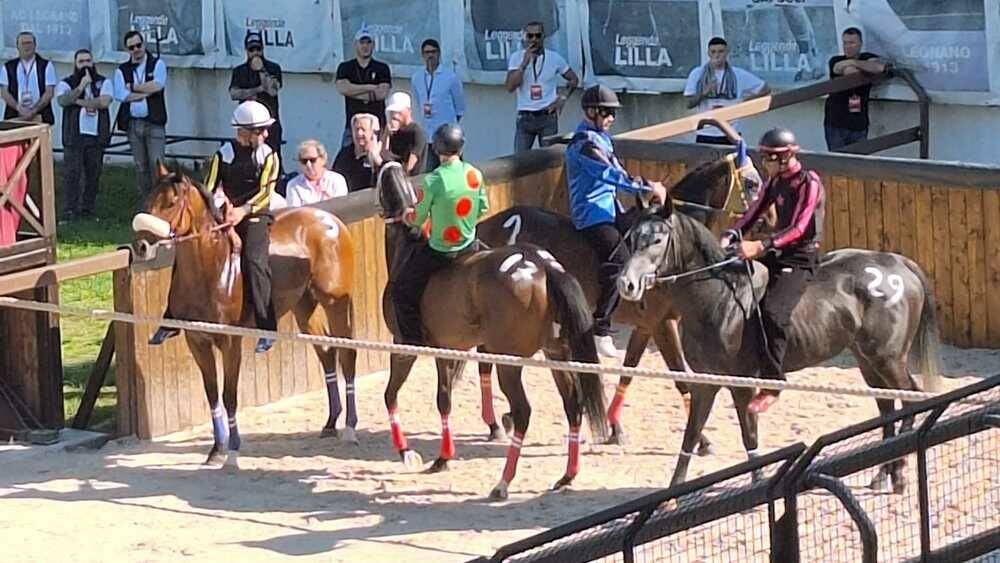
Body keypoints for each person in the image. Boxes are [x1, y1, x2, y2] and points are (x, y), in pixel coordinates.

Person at [148, 101, 280, 353]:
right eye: (260, 130)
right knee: (186, 253)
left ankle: (266, 327)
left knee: (254, 261)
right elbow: (208, 187)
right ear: (244, 132)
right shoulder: (223, 154)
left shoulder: (269, 156)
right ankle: (171, 317)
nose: (265, 135)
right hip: (225, 212)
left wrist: (242, 211)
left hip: (255, 215)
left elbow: (266, 192)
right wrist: (220, 208)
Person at [721, 127, 825, 414]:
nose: (764, 162)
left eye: (768, 158)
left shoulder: (808, 182)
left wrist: (761, 246)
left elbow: (800, 227)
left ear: (785, 157)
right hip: (776, 251)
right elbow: (753, 211)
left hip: (801, 257)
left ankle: (773, 382)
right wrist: (732, 233)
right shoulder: (774, 180)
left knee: (773, 312)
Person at [565, 84, 667, 358]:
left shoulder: (603, 139)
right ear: (591, 112)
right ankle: (600, 328)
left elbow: (619, 172)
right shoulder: (584, 144)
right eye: (607, 113)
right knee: (620, 262)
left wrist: (645, 191)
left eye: (613, 113)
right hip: (591, 214)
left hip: (612, 208)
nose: (612, 118)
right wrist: (646, 187)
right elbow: (611, 174)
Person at [390, 123, 489, 346]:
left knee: (401, 289)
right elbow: (483, 208)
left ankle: (413, 339)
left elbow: (417, 219)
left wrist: (406, 214)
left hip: (442, 251)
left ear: (437, 150)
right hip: (470, 245)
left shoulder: (433, 180)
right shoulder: (475, 174)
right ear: (461, 148)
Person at [55, 49, 113, 220]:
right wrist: (81, 86)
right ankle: (70, 210)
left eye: (88, 61)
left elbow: (104, 102)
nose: (85, 65)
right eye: (81, 62)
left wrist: (78, 101)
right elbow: (63, 100)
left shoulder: (103, 82)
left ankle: (88, 209)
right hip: (74, 137)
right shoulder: (67, 83)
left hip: (96, 136)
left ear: (93, 63)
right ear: (75, 64)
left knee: (93, 174)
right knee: (72, 174)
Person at [505, 20, 579, 152]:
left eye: (538, 36)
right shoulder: (517, 57)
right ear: (525, 37)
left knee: (549, 160)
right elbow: (510, 87)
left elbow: (573, 79)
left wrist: (562, 98)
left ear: (543, 37)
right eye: (530, 36)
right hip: (525, 116)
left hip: (547, 116)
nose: (534, 40)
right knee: (519, 162)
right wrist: (523, 64)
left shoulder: (554, 58)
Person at [683, 37, 769, 145]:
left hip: (731, 132)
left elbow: (765, 89)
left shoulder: (738, 74)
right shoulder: (697, 73)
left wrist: (747, 101)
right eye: (713, 52)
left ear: (727, 53)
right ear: (708, 53)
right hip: (706, 132)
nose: (717, 55)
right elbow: (689, 104)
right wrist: (704, 92)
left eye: (720, 51)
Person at [113, 30, 167, 196]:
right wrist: (145, 93)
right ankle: (147, 202)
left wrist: (134, 87)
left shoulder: (157, 64)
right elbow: (121, 95)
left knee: (157, 164)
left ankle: (163, 202)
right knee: (141, 166)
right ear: (127, 50)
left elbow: (158, 85)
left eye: (138, 45)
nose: (136, 49)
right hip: (133, 124)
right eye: (131, 47)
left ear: (144, 44)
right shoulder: (122, 70)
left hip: (155, 122)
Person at [229, 30, 284, 178]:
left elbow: (273, 90)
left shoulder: (273, 68)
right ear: (246, 50)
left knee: (272, 156)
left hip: (269, 123)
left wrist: (261, 70)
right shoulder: (239, 71)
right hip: (247, 126)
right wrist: (256, 90)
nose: (255, 53)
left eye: (258, 49)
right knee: (246, 158)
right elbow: (234, 93)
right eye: (252, 49)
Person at [824, 27, 886, 151]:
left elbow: (879, 67)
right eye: (845, 43)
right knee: (838, 162)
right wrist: (865, 67)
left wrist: (854, 62)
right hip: (837, 123)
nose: (848, 47)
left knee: (859, 163)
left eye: (852, 43)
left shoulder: (867, 57)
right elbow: (850, 72)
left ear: (860, 44)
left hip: (859, 123)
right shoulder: (836, 60)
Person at [410, 38, 465, 172]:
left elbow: (460, 107)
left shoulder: (450, 77)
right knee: (430, 174)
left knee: (453, 172)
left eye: (433, 52)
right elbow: (418, 101)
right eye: (427, 52)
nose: (430, 55)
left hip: (448, 138)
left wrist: (450, 125)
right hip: (428, 136)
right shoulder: (417, 78)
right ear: (422, 55)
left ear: (439, 53)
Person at [335, 26, 391, 148]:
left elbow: (381, 93)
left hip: (377, 127)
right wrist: (370, 87)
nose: (365, 46)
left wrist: (353, 91)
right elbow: (342, 89)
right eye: (362, 42)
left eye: (368, 42)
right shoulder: (345, 67)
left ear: (373, 45)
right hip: (353, 126)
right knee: (346, 161)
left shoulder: (382, 68)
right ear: (356, 44)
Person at [1, 31, 57, 125]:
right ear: (17, 46)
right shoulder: (8, 67)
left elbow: (49, 92)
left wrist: (34, 110)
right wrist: (19, 108)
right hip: (15, 116)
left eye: (29, 43)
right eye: (23, 43)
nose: (27, 46)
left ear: (35, 45)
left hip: (41, 116)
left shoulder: (46, 65)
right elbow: (4, 93)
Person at [332, 113, 390, 192]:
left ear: (374, 133)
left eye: (363, 129)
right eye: (356, 129)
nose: (359, 133)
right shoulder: (344, 154)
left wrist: (376, 160)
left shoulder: (383, 154)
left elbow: (388, 181)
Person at [285, 139, 348, 207]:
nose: (308, 165)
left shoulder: (337, 180)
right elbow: (295, 214)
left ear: (323, 159)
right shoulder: (293, 185)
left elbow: (341, 208)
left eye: (312, 160)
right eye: (304, 161)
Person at [383, 91, 427, 176]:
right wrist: (386, 134)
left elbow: (410, 165)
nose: (395, 115)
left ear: (408, 110)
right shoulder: (393, 131)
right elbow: (384, 156)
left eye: (399, 112)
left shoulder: (417, 132)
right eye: (392, 112)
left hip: (412, 180)